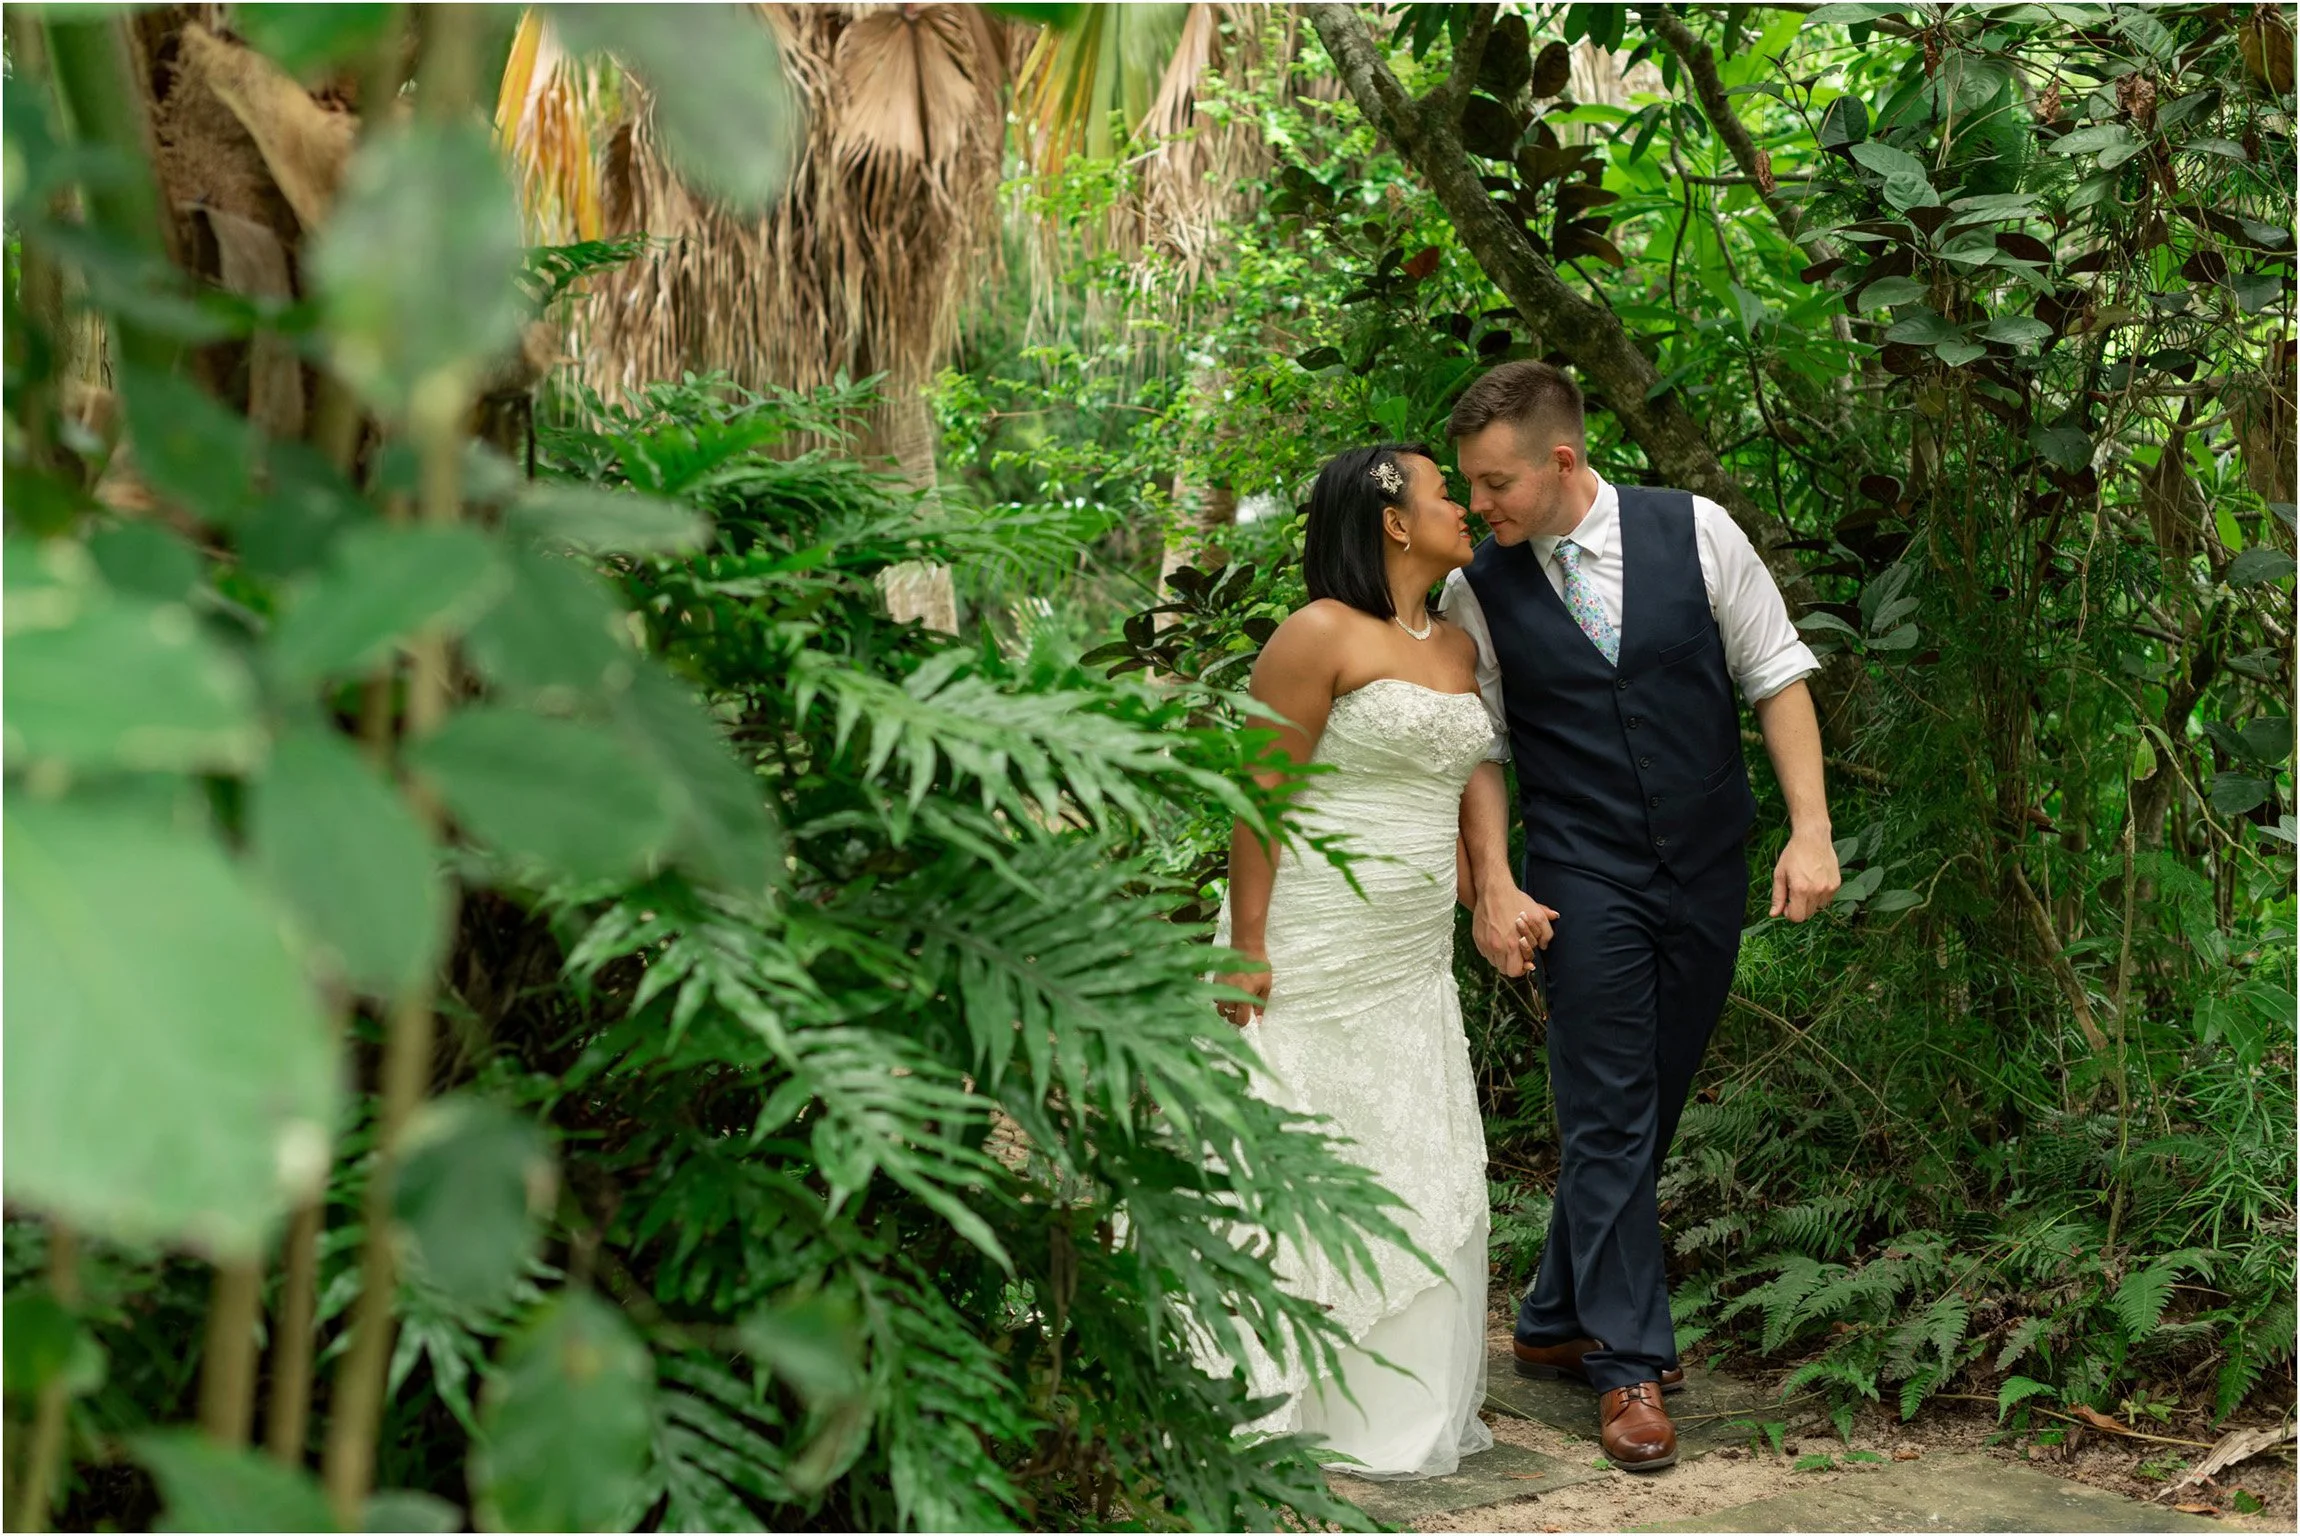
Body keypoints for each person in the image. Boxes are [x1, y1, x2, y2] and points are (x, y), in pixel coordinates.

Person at [1438, 360, 1842, 1472]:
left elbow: (1776, 676)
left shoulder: (1696, 530)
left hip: (1708, 866)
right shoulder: (1478, 589)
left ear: (1560, 460)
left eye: (1494, 483)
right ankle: (1627, 1365)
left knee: (1649, 1097)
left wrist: (1809, 830)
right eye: (1470, 485)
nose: (1478, 505)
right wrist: (1493, 878)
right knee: (1608, 1107)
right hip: (1581, 873)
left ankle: (1550, 1315)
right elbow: (1482, 750)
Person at [1208, 442, 1541, 1480]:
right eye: (1443, 492)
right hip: (1310, 932)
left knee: (1407, 1145)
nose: (1462, 506)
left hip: (1408, 951)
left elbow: (1474, 767)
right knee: (1301, 1133)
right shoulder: (1316, 633)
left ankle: (1383, 1403)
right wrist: (1246, 945)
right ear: (1393, 520)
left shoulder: (1457, 645)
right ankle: (1261, 1378)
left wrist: (1492, 884)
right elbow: (1256, 798)